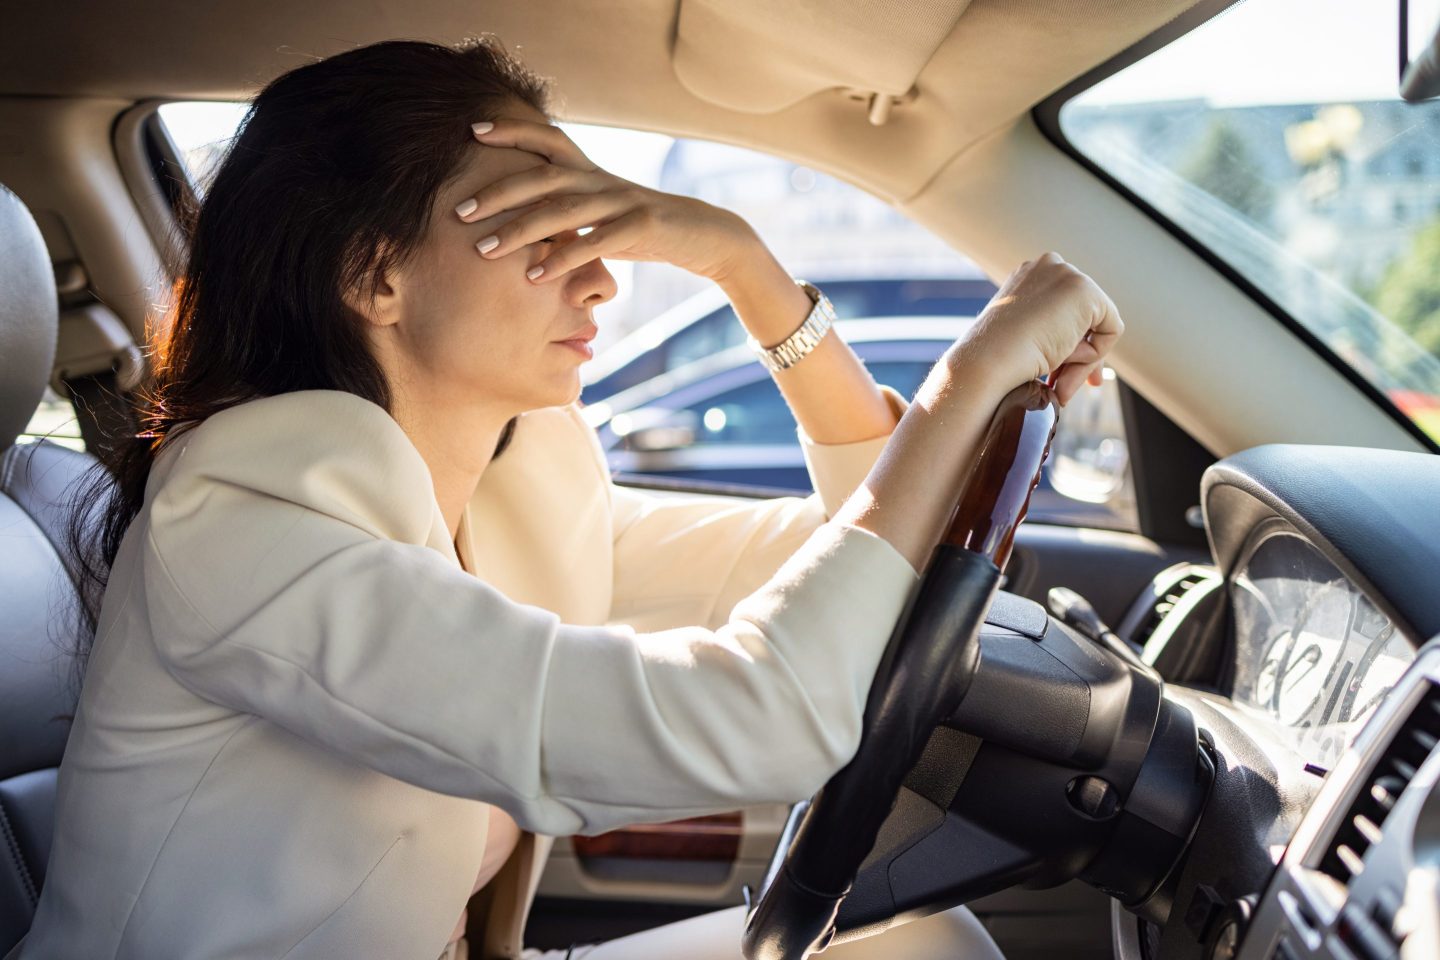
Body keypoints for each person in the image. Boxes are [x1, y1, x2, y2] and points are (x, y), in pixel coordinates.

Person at [19, 35, 1121, 960]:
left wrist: (747, 268)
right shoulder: (247, 512)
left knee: (916, 945)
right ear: (374, 275)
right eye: (546, 227)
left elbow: (861, 560)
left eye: (602, 220)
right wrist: (965, 379)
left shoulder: (511, 490)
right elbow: (758, 715)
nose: (605, 271)